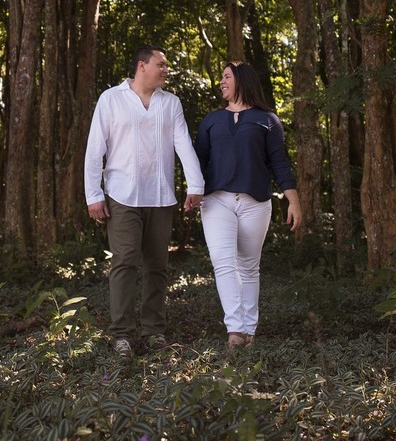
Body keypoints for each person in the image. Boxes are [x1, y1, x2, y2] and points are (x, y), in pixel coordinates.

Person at [85, 45, 205, 358]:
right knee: (124, 261)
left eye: (166, 65)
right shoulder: (111, 99)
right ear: (142, 66)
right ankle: (122, 334)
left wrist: (196, 185)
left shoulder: (171, 103)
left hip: (161, 196)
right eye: (161, 64)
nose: (166, 70)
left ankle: (153, 330)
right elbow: (95, 149)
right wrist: (93, 194)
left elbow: (183, 145)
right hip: (122, 196)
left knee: (157, 266)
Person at [194, 61, 301, 349]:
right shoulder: (211, 120)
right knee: (223, 263)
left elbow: (279, 162)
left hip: (256, 202)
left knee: (249, 267)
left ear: (242, 80)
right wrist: (193, 192)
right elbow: (198, 161)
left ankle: (250, 330)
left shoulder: (267, 119)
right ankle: (235, 331)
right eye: (221, 77)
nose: (221, 81)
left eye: (226, 76)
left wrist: (293, 200)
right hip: (216, 200)